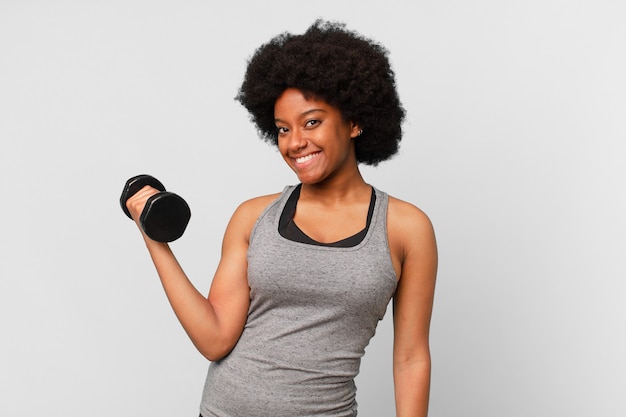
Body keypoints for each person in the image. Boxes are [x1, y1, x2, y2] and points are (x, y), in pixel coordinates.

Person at [125, 19, 437, 417]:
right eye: (282, 129)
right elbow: (215, 339)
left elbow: (411, 358)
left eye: (312, 122)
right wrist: (154, 238)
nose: (294, 143)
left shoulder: (406, 228)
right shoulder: (253, 217)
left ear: (355, 121)